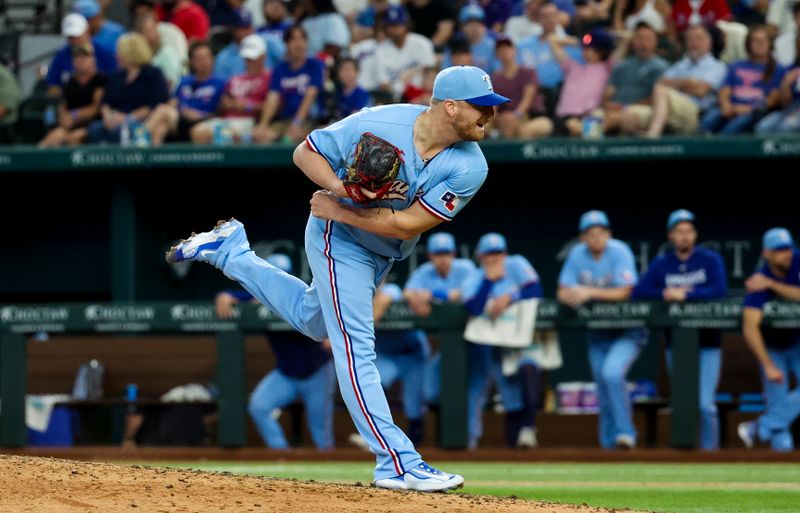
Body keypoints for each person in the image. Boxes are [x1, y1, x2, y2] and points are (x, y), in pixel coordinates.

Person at [165, 64, 509, 491]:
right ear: (452, 107)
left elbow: (406, 226)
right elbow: (304, 152)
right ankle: (397, 461)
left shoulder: (471, 166)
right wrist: (338, 189)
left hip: (380, 249)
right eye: (483, 108)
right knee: (355, 347)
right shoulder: (380, 122)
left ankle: (232, 253)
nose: (489, 116)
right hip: (338, 239)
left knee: (313, 320)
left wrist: (343, 204)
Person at [216, 253, 335, 450]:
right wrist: (227, 296)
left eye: (282, 276)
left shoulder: (303, 293)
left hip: (317, 371)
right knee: (258, 407)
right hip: (285, 374)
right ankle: (282, 457)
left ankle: (330, 478)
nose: (276, 282)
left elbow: (329, 310)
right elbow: (228, 297)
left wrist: (330, 335)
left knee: (321, 432)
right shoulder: (259, 294)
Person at [632, 209, 727, 450]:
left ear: (695, 235)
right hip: (676, 344)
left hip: (709, 343)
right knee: (685, 402)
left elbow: (719, 291)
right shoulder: (663, 263)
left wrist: (688, 295)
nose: (684, 236)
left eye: (688, 231)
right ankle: (687, 456)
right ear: (671, 236)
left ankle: (710, 454)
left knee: (705, 404)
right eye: (679, 231)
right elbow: (639, 292)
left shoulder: (709, 259)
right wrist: (663, 293)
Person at [557, 210, 646, 449]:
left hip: (628, 330)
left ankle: (626, 433)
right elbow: (562, 289)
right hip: (598, 333)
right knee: (603, 385)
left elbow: (627, 290)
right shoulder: (577, 253)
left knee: (612, 374)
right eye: (590, 233)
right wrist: (569, 295)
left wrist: (588, 292)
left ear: (609, 234)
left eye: (601, 232)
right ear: (583, 237)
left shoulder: (619, 251)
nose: (596, 237)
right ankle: (609, 446)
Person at [462, 233, 544, 449]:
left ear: (505, 254)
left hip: (520, 340)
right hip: (490, 344)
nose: (494, 259)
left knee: (527, 374)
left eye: (498, 253)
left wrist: (510, 296)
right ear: (480, 256)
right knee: (498, 394)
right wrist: (489, 281)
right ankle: (482, 444)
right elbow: (472, 307)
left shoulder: (516, 264)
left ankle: (527, 431)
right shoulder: (475, 276)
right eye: (489, 254)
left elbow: (536, 290)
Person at [738, 228, 800, 452]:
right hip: (772, 347)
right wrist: (768, 365)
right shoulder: (757, 283)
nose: (787, 254)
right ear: (766, 254)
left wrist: (773, 285)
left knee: (778, 411)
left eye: (788, 249)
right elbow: (749, 327)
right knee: (777, 404)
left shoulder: (797, 261)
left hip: (797, 342)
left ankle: (758, 428)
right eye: (779, 250)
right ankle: (783, 458)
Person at [404, 232, 476, 405]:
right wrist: (413, 298)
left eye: (446, 253)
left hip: (473, 339)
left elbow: (467, 293)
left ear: (453, 254)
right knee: (432, 392)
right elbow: (407, 291)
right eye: (438, 254)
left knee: (472, 393)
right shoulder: (425, 271)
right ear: (430, 256)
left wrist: (433, 294)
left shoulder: (465, 267)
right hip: (445, 341)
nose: (442, 259)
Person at [629, 24, 727, 137]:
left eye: (698, 38)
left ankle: (652, 136)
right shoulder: (681, 65)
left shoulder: (717, 66)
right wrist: (688, 83)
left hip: (695, 114)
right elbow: (661, 82)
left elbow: (700, 90)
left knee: (662, 91)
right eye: (689, 39)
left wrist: (676, 84)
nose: (694, 43)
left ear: (709, 42)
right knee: (630, 114)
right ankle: (641, 150)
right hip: (668, 111)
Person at [372, 282, 430, 446]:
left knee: (414, 404)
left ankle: (415, 447)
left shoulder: (392, 290)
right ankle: (376, 435)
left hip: (413, 354)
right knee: (371, 384)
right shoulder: (355, 294)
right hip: (386, 356)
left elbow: (385, 298)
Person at [701, 25, 784, 135]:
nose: (760, 44)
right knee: (707, 122)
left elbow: (772, 100)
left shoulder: (778, 69)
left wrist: (748, 109)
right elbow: (724, 91)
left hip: (754, 111)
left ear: (770, 44)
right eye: (755, 41)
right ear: (748, 44)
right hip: (731, 107)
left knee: (732, 129)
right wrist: (726, 106)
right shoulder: (736, 66)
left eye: (763, 41)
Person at [87, 33, 168, 143]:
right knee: (95, 128)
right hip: (114, 120)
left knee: (125, 131)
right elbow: (105, 102)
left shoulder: (153, 74)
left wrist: (127, 118)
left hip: (142, 121)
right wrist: (108, 117)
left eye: (120, 52)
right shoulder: (117, 76)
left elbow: (154, 104)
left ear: (131, 53)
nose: (116, 56)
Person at [190, 34, 270, 145]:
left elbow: (273, 107)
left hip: (249, 121)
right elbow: (222, 102)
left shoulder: (268, 77)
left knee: (224, 135)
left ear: (263, 57)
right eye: (246, 58)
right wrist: (226, 103)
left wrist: (248, 106)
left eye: (253, 58)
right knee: (198, 132)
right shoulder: (235, 78)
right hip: (227, 119)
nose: (248, 62)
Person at [253, 26, 324, 144]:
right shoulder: (280, 69)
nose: (298, 44)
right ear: (286, 44)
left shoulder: (315, 66)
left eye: (302, 39)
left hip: (309, 121)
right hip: (284, 119)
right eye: (293, 39)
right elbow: (272, 98)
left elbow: (310, 97)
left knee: (292, 138)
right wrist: (263, 124)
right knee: (261, 136)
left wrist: (297, 123)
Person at [145, 42, 226, 145]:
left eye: (206, 58)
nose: (203, 62)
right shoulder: (185, 81)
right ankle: (154, 158)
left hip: (203, 120)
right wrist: (181, 110)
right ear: (191, 62)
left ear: (212, 60)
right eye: (199, 59)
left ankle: (139, 139)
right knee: (161, 127)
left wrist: (200, 115)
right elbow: (173, 103)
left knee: (162, 112)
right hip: (180, 119)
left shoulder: (221, 83)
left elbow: (221, 110)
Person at [603, 23, 668, 135]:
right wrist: (607, 103)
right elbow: (609, 91)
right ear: (633, 42)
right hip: (615, 109)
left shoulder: (660, 66)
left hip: (645, 110)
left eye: (647, 39)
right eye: (639, 38)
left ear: (655, 42)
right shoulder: (622, 66)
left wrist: (624, 106)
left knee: (627, 115)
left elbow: (657, 98)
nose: (643, 43)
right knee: (594, 115)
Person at [39, 44, 106, 147]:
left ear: (92, 59)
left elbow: (96, 107)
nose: (80, 61)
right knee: (55, 135)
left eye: (84, 57)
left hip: (92, 125)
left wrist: (74, 115)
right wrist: (64, 118)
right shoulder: (70, 81)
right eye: (76, 57)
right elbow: (63, 104)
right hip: (70, 125)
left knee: (74, 138)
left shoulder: (100, 80)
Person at [491, 36, 552, 138]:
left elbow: (527, 99)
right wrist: (497, 118)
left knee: (538, 127)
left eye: (507, 48)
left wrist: (516, 115)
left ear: (514, 51)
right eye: (500, 49)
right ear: (496, 54)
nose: (504, 51)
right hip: (505, 120)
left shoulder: (528, 73)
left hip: (530, 118)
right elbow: (494, 106)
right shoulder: (496, 78)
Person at [373, 6, 436, 102]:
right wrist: (400, 87)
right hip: (396, 98)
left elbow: (433, 73)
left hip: (425, 95)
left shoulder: (422, 43)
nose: (395, 29)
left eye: (398, 24)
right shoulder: (381, 49)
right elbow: (383, 84)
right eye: (391, 25)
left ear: (406, 24)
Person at [46, 14, 117, 96]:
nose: (74, 41)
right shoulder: (60, 56)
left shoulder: (105, 54)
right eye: (70, 37)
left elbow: (114, 83)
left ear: (87, 31)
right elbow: (53, 86)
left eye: (77, 36)